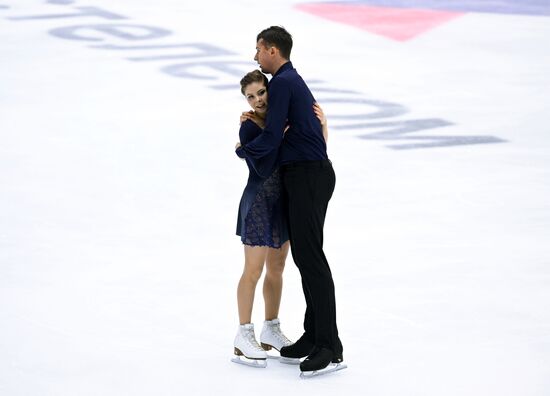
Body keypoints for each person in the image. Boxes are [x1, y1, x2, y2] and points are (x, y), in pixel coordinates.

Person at [235, 26, 344, 375]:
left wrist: (243, 150)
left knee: (311, 258)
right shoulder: (289, 81)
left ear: (271, 50)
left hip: (308, 176)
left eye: (258, 50)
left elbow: (271, 137)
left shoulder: (282, 82)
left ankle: (330, 345)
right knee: (305, 257)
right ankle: (314, 335)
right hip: (306, 176)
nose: (255, 56)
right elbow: (295, 133)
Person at [232, 70, 292, 368]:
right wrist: (276, 133)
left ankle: (271, 327)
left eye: (260, 93)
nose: (257, 100)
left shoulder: (278, 120)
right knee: (253, 270)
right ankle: (244, 334)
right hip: (258, 203)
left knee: (277, 267)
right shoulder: (249, 129)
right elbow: (265, 160)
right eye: (250, 97)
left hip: (282, 203)